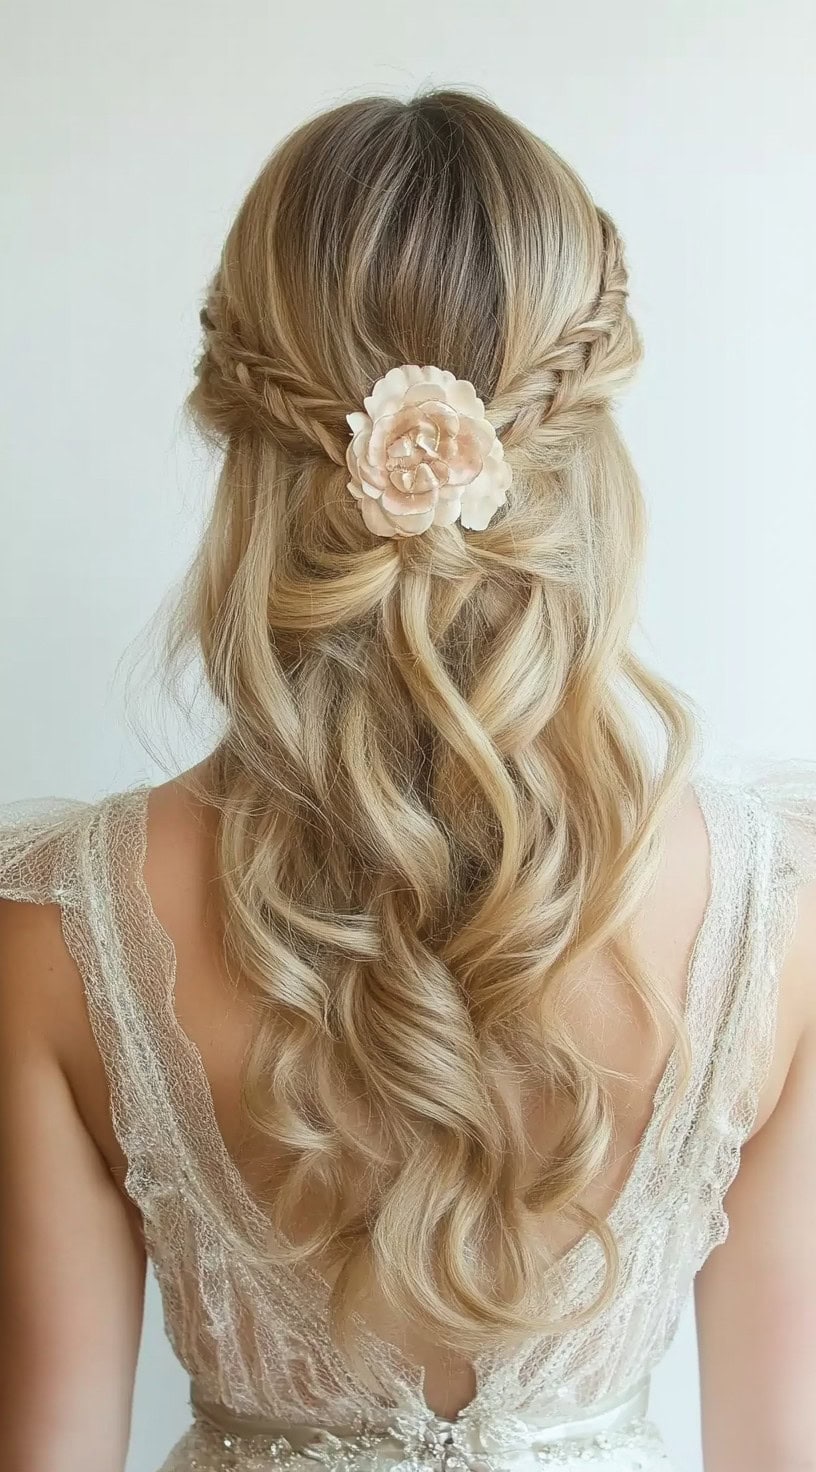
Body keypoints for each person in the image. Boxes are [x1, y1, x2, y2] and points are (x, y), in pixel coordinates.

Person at [0, 90, 814, 1472]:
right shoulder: (773, 918)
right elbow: (778, 1445)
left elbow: (46, 1447)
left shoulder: (59, 933)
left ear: (241, 435)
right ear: (586, 434)